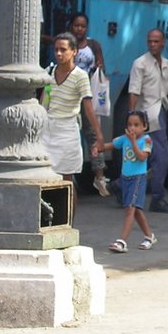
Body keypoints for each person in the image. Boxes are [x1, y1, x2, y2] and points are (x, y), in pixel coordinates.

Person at [128, 29, 168, 213]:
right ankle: (157, 198)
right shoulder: (140, 64)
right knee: (162, 156)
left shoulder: (167, 65)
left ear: (163, 43)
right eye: (150, 41)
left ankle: (120, 186)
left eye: (156, 41)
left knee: (146, 156)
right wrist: (131, 118)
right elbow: (133, 92)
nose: (152, 44)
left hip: (159, 113)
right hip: (146, 115)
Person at [42, 32, 105, 216]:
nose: (59, 54)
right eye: (56, 50)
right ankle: (51, 220)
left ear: (74, 52)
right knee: (45, 178)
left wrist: (99, 135)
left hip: (68, 132)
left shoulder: (80, 76)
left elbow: (88, 108)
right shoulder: (49, 72)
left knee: (67, 180)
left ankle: (68, 223)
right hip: (47, 130)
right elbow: (45, 100)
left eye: (63, 50)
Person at [93, 110, 157, 253]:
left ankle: (122, 241)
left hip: (138, 179)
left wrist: (133, 142)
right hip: (125, 178)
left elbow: (142, 157)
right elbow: (109, 146)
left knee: (130, 209)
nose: (132, 128)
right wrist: (98, 149)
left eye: (136, 125)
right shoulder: (124, 138)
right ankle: (149, 236)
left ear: (144, 126)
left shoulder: (146, 140)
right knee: (135, 210)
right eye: (129, 125)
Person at [69, 12, 110, 196]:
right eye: (76, 25)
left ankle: (99, 177)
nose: (79, 29)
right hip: (70, 95)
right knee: (70, 135)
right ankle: (71, 174)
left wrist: (99, 67)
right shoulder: (67, 44)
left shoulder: (93, 45)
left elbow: (102, 66)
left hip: (87, 95)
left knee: (92, 135)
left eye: (82, 26)